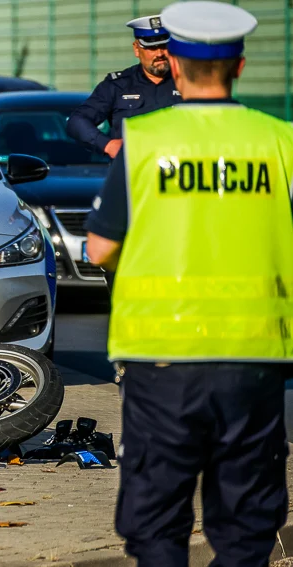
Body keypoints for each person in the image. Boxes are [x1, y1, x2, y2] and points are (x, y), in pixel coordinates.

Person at [85, 2, 293, 565]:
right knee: (247, 525)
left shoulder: (145, 144)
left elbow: (99, 249)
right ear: (240, 67)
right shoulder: (280, 142)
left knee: (158, 523)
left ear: (175, 65)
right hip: (255, 358)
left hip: (163, 359)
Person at [67, 15, 181, 159]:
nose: (159, 54)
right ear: (136, 49)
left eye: (164, 46)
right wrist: (107, 145)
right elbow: (77, 121)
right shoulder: (118, 85)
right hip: (131, 175)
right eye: (151, 47)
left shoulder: (188, 82)